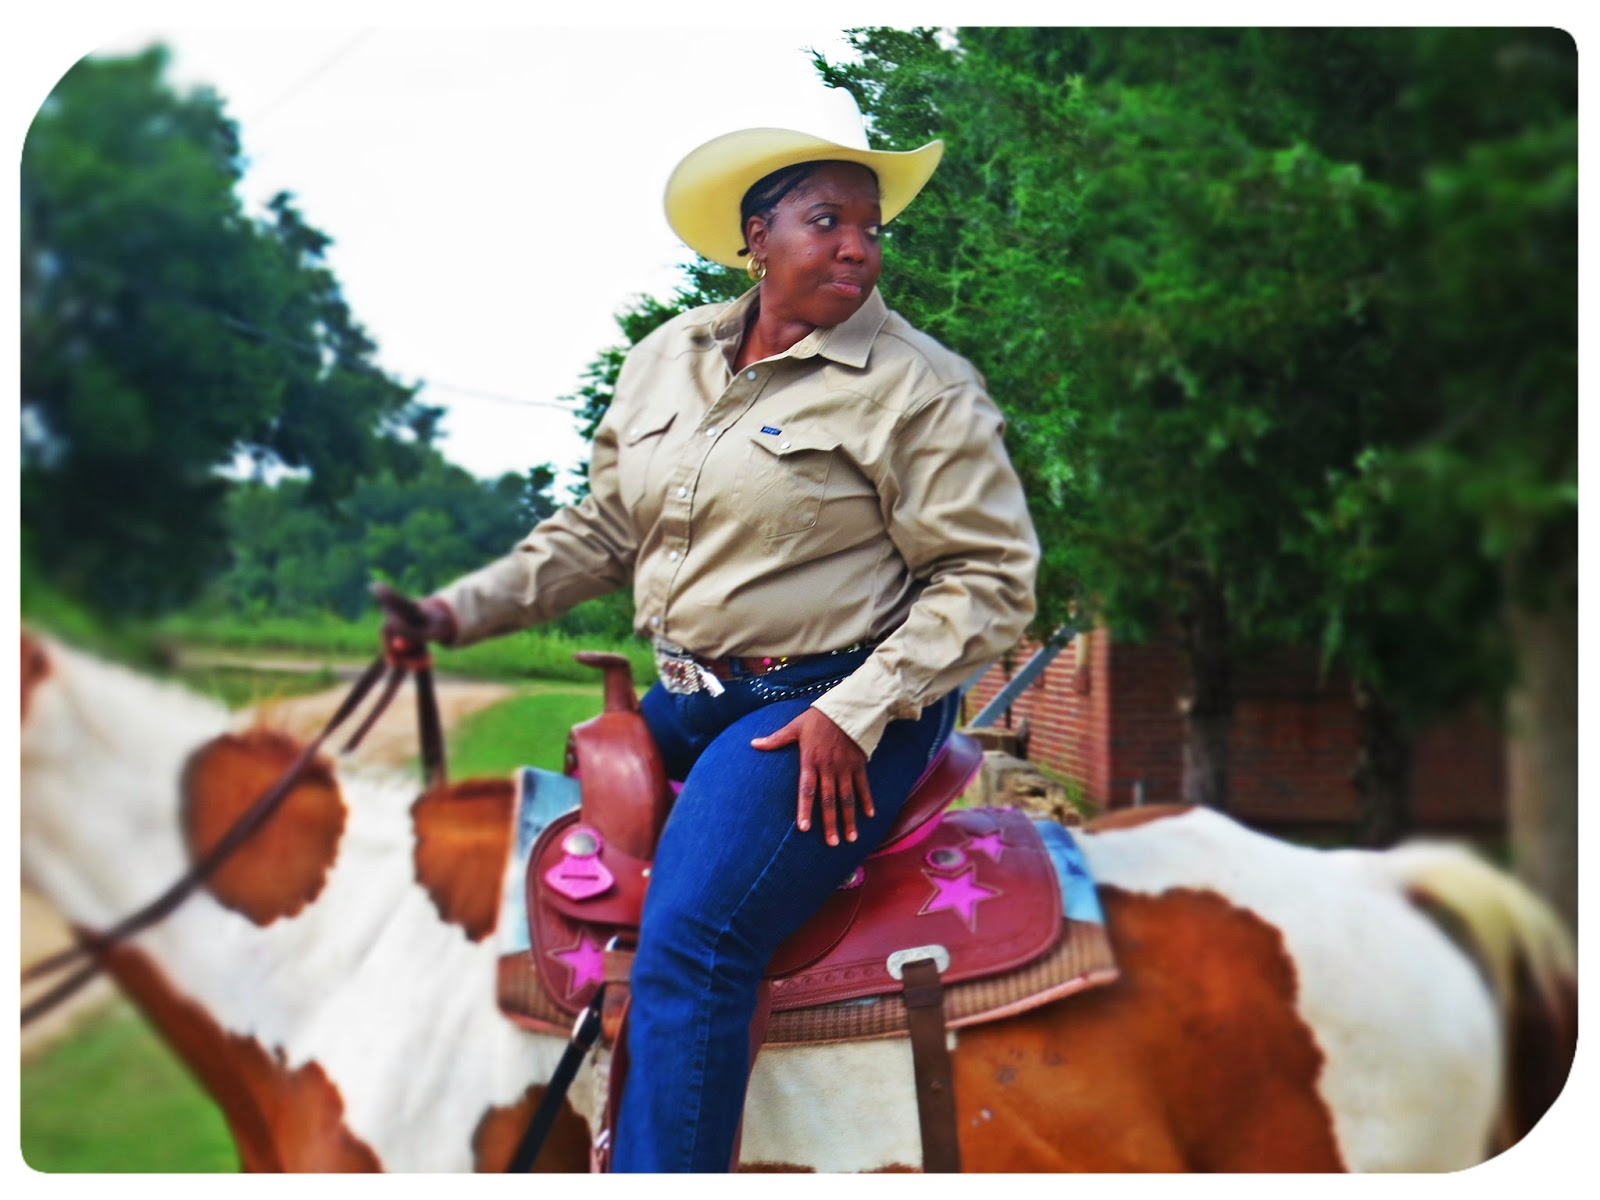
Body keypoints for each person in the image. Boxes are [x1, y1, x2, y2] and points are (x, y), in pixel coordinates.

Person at [378, 95, 1039, 1172]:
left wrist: (855, 708)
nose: (858, 246)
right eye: (827, 221)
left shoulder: (921, 389)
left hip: (834, 704)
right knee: (513, 875)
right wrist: (461, 611)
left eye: (871, 227)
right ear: (754, 238)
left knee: (695, 945)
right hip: (687, 694)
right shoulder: (667, 358)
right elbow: (601, 528)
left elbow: (990, 579)